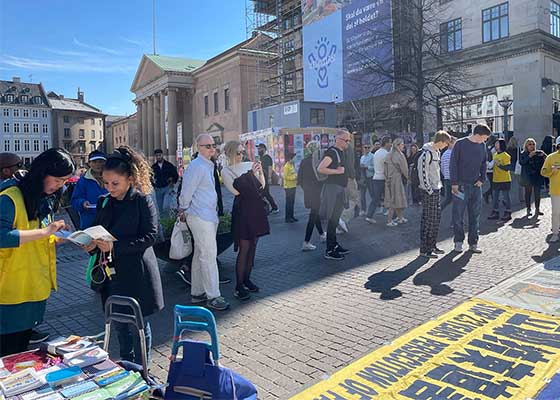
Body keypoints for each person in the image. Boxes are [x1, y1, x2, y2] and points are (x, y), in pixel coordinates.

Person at [85, 146, 164, 364]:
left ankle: (143, 368)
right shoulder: (105, 201)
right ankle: (126, 365)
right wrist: (90, 244)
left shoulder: (142, 200)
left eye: (115, 183)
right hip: (113, 273)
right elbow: (96, 229)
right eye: (106, 183)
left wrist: (114, 247)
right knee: (119, 323)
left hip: (137, 272)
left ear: (130, 179)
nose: (110, 188)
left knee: (138, 325)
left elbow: (151, 236)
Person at [0, 148, 75, 356]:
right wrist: (45, 232)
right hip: (9, 292)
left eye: (64, 181)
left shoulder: (43, 198)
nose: (60, 185)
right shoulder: (9, 197)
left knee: (20, 353)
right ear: (42, 172)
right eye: (58, 180)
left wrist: (56, 237)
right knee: (8, 354)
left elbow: (35, 236)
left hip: (33, 288)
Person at [179, 134, 229, 311]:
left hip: (206, 215)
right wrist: (183, 208)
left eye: (213, 145)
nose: (212, 148)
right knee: (208, 256)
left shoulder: (206, 165)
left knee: (201, 254)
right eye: (207, 146)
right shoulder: (197, 166)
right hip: (200, 215)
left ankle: (198, 291)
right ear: (198, 147)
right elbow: (186, 191)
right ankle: (213, 296)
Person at [222, 141, 270, 300]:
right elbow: (236, 191)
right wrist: (250, 175)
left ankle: (247, 279)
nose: (241, 155)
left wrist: (260, 173)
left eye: (243, 152)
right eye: (238, 152)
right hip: (242, 211)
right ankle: (239, 285)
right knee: (244, 248)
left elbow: (261, 186)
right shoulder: (226, 171)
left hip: (256, 209)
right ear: (230, 153)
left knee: (253, 246)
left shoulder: (249, 165)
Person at [450, 123, 491, 253]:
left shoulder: (482, 145)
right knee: (458, 216)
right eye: (484, 137)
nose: (485, 140)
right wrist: (454, 183)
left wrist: (482, 179)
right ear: (478, 135)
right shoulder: (460, 144)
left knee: (475, 216)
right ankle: (458, 242)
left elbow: (484, 163)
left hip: (476, 185)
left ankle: (473, 243)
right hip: (461, 185)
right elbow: (453, 164)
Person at [418, 131, 452, 258]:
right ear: (441, 141)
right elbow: (423, 173)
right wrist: (429, 190)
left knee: (436, 219)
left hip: (436, 189)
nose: (446, 146)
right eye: (446, 143)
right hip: (429, 191)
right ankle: (425, 249)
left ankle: (432, 245)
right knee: (428, 220)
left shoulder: (436, 152)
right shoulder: (426, 153)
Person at [318, 130, 351, 261]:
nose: (348, 143)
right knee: (332, 219)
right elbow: (320, 168)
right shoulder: (332, 152)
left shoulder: (341, 152)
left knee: (335, 219)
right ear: (338, 139)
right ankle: (330, 249)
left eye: (349, 140)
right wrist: (337, 172)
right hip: (333, 189)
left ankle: (334, 245)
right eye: (346, 140)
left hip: (339, 188)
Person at [297, 141, 325, 251]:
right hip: (317, 192)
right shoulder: (318, 162)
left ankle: (322, 234)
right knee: (313, 215)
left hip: (308, 192)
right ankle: (306, 241)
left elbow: (299, 179)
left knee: (315, 213)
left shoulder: (304, 161)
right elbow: (323, 177)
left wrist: (306, 189)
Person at [70, 150, 108, 229]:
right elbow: (74, 200)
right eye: (94, 162)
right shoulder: (83, 180)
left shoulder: (111, 178)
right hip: (89, 222)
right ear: (89, 163)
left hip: (109, 221)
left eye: (101, 161)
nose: (98, 164)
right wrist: (82, 203)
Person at [366, 136, 391, 224]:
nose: (391, 144)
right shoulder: (386, 154)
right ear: (386, 143)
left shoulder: (377, 153)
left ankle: (369, 215)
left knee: (375, 198)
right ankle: (393, 216)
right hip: (383, 178)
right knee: (390, 197)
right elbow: (388, 167)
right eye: (390, 142)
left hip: (376, 177)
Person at [384, 138, 409, 227]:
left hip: (389, 179)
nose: (403, 146)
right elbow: (404, 169)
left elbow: (385, 169)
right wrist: (409, 177)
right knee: (395, 199)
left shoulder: (389, 155)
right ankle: (389, 220)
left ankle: (400, 217)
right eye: (402, 144)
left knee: (396, 199)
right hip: (396, 179)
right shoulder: (400, 155)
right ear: (398, 145)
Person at [519, 138, 546, 217]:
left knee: (537, 193)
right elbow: (522, 162)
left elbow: (546, 161)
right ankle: (528, 209)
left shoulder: (538, 153)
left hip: (537, 176)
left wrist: (544, 155)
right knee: (528, 193)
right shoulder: (523, 153)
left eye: (533, 144)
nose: (532, 146)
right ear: (526, 146)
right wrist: (529, 156)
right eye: (530, 144)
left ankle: (537, 209)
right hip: (528, 176)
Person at [541, 136, 560, 242]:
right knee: (556, 212)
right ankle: (555, 233)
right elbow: (543, 172)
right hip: (556, 190)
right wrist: (552, 171)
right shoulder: (551, 157)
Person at [488, 139, 512, 221]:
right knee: (495, 197)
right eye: (495, 144)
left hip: (505, 180)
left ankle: (508, 212)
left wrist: (499, 165)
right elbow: (492, 166)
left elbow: (508, 168)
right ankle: (495, 212)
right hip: (496, 179)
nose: (495, 145)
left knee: (506, 197)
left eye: (497, 144)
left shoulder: (506, 156)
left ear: (501, 145)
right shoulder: (494, 155)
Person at [151, 148, 178, 214]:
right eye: (157, 156)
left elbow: (175, 175)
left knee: (166, 206)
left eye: (159, 155)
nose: (158, 157)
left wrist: (173, 182)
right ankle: (163, 220)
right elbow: (150, 177)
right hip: (158, 189)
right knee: (160, 207)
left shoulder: (169, 165)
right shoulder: (153, 167)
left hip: (167, 188)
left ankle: (167, 219)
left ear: (162, 155)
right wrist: (154, 186)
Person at [257, 143, 279, 214]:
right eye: (258, 149)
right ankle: (265, 208)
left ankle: (275, 208)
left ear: (264, 149)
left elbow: (270, 168)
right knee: (263, 194)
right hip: (261, 178)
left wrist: (269, 178)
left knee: (266, 193)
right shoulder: (260, 158)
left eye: (259, 149)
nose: (258, 150)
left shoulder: (267, 158)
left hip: (266, 178)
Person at [440, 136, 456, 210]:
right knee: (460, 197)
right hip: (454, 179)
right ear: (451, 143)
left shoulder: (444, 154)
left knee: (448, 199)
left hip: (446, 179)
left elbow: (442, 168)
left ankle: (439, 210)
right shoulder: (453, 153)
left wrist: (446, 175)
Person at [359, 144, 374, 216]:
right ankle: (363, 209)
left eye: (368, 147)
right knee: (362, 195)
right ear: (363, 148)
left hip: (370, 177)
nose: (367, 149)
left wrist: (367, 167)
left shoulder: (373, 156)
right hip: (363, 177)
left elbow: (374, 167)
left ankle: (375, 207)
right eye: (365, 147)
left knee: (372, 194)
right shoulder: (362, 157)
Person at [283, 152, 298, 223]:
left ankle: (291, 216)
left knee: (292, 202)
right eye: (294, 158)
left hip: (293, 186)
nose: (295, 159)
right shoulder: (286, 166)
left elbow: (293, 174)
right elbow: (285, 177)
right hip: (288, 187)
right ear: (290, 158)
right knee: (289, 203)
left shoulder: (291, 165)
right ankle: (288, 218)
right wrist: (295, 177)